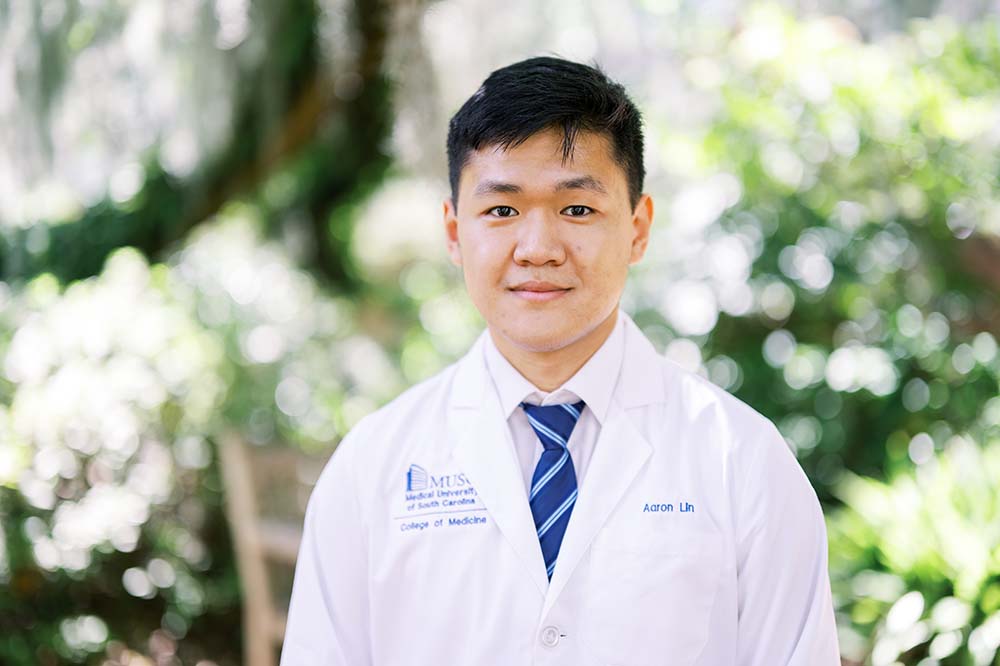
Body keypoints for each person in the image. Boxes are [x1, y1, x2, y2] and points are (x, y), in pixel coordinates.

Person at [279, 56, 841, 666]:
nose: (538, 249)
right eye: (501, 210)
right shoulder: (372, 467)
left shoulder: (743, 461)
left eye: (577, 209)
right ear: (453, 232)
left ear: (638, 227)